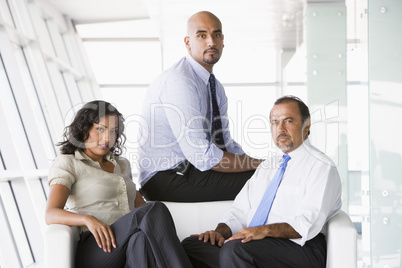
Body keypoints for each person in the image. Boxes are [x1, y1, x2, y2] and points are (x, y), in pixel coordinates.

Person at [182, 96, 342, 267]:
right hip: (256, 245)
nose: (280, 128)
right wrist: (219, 233)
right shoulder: (268, 166)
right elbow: (239, 211)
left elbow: (306, 224)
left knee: (235, 250)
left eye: (288, 121)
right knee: (192, 245)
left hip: (301, 247)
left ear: (307, 125)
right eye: (274, 122)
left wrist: (263, 231)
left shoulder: (321, 167)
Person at [45, 100, 191, 268]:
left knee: (141, 239)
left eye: (114, 131)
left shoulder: (122, 164)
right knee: (154, 208)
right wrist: (88, 219)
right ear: (83, 129)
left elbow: (139, 207)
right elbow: (51, 214)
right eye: (100, 129)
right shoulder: (68, 163)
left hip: (127, 243)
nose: (107, 138)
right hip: (97, 248)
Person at [137, 11, 263, 202]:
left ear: (223, 41)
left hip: (191, 168)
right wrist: (256, 164)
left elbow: (225, 142)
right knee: (262, 181)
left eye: (216, 35)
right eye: (202, 35)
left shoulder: (214, 86)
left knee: (267, 175)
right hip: (165, 177)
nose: (211, 42)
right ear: (187, 42)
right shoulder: (180, 81)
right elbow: (202, 155)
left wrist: (263, 165)